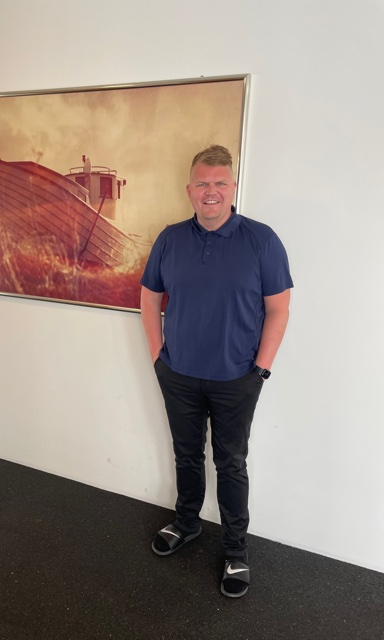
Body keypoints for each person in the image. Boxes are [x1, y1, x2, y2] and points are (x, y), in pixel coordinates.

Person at [140, 144, 293, 598]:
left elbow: (279, 309)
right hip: (179, 375)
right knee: (186, 455)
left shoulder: (262, 240)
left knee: (231, 463)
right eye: (203, 183)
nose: (211, 191)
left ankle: (235, 550)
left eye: (220, 183)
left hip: (237, 379)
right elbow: (149, 299)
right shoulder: (170, 239)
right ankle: (186, 523)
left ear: (233, 187)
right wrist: (158, 358)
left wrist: (260, 371)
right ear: (190, 190)